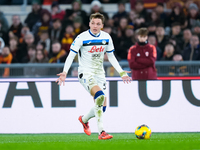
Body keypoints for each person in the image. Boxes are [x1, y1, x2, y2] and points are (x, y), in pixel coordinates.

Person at [56, 12, 131, 140]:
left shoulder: (106, 37)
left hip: (100, 73)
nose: (95, 26)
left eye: (98, 24)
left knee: (103, 107)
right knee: (100, 97)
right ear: (89, 23)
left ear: (102, 25)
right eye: (93, 23)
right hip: (85, 73)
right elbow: (71, 55)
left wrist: (121, 72)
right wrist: (64, 72)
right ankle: (102, 132)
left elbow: (111, 56)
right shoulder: (81, 38)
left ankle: (84, 119)